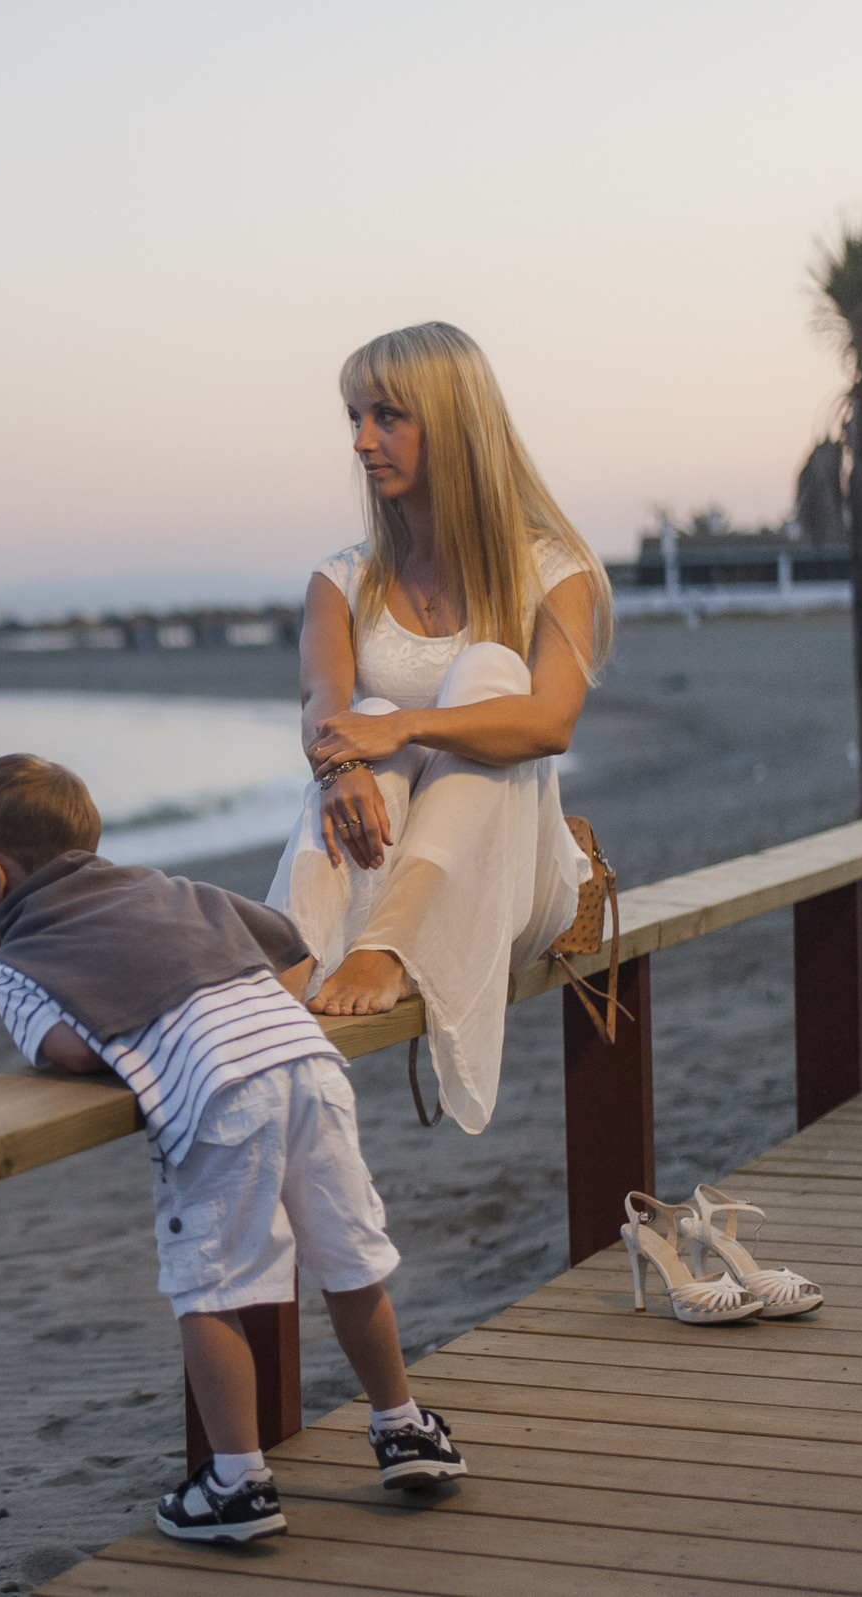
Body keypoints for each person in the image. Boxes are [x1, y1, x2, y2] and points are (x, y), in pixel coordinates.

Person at [0, 753, 466, 1545]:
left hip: (220, 1096)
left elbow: (71, 1051)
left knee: (209, 1286)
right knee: (350, 1259)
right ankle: (404, 1427)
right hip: (308, 1065)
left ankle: (238, 1482)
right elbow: (292, 955)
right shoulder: (167, 887)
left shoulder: (18, 961)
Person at [269, 322, 614, 1134]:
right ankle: (296, 950)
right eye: (353, 417)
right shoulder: (342, 579)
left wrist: (402, 732)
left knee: (488, 674)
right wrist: (342, 763)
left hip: (516, 883)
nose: (361, 440)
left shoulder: (554, 570)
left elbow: (551, 721)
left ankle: (375, 948)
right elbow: (327, 704)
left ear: (453, 425)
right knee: (370, 716)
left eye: (387, 416)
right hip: (375, 858)